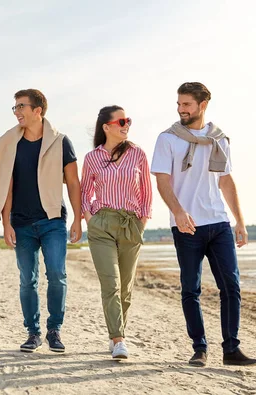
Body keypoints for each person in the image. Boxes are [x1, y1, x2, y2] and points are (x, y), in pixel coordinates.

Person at [151, 82, 256, 367]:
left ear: (203, 105)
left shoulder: (219, 139)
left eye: (186, 104)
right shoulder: (168, 139)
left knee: (231, 287)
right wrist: (178, 212)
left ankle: (231, 350)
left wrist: (240, 221)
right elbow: (162, 181)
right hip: (186, 226)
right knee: (191, 288)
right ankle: (199, 348)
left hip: (219, 223)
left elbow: (225, 180)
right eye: (179, 104)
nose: (181, 109)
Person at [0, 89, 82, 353]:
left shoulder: (60, 141)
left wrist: (79, 219)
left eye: (21, 106)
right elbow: (5, 186)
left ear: (38, 111)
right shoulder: (10, 142)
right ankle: (32, 333)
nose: (17, 112)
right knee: (27, 279)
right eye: (15, 107)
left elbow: (73, 183)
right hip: (20, 222)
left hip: (52, 219)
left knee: (57, 274)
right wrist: (6, 222)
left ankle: (54, 330)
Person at [81, 105, 152, 359]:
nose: (126, 124)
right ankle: (118, 339)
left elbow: (146, 192)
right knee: (110, 283)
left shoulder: (138, 154)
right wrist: (90, 218)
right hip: (101, 224)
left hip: (131, 224)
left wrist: (142, 221)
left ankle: (117, 331)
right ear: (107, 127)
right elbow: (84, 192)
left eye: (128, 120)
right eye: (121, 121)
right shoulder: (92, 158)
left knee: (125, 288)